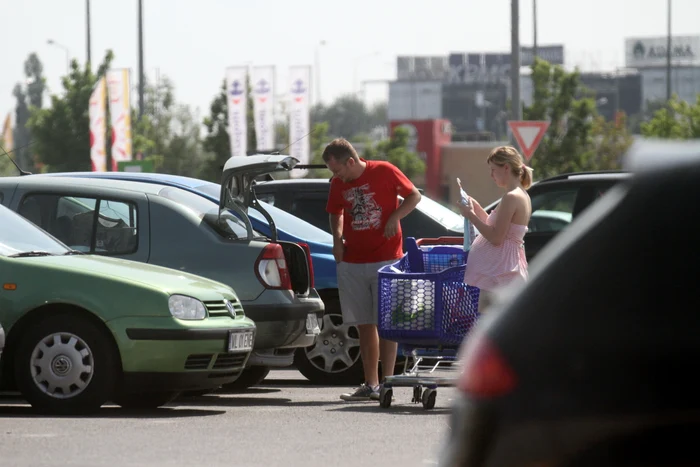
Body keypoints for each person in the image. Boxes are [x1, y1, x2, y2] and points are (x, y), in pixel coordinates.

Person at [323, 138, 422, 401]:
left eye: (338, 170)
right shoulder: (337, 184)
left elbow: (414, 195)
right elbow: (335, 212)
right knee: (365, 325)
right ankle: (371, 384)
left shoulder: (384, 170)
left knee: (386, 324)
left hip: (386, 258)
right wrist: (337, 241)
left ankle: (387, 382)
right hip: (353, 261)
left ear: (351, 161)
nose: (336, 177)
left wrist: (395, 217)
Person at [457, 146, 533, 312]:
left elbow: (496, 237)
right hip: (498, 272)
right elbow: (497, 228)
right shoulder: (517, 194)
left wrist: (470, 215)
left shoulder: (512, 196)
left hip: (499, 274)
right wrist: (475, 208)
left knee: (490, 329)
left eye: (493, 170)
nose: (491, 176)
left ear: (506, 167)